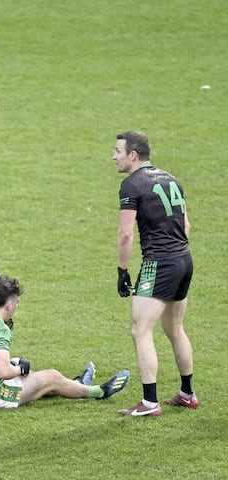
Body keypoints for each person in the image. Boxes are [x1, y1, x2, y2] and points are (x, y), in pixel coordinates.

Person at [112, 131, 197, 417]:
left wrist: (122, 270)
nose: (114, 157)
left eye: (118, 151)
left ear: (133, 155)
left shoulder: (132, 184)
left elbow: (125, 234)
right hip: (184, 259)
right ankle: (187, 393)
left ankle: (150, 402)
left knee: (140, 330)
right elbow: (186, 226)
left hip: (158, 264)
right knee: (175, 329)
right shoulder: (172, 179)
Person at [0, 276, 131, 408]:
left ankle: (74, 384)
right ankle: (98, 391)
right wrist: (20, 369)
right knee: (50, 376)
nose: (16, 307)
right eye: (17, 303)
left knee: (33, 376)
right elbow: (3, 371)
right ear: (9, 305)